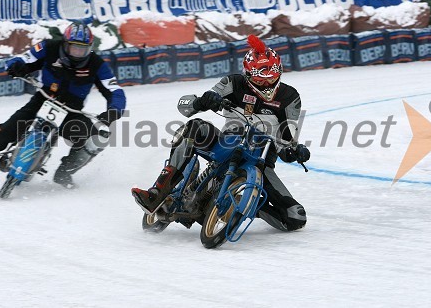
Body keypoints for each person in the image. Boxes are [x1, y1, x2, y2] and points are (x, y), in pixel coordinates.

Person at [132, 34, 310, 232]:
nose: (267, 84)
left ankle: (245, 203)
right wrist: (203, 101)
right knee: (194, 126)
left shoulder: (290, 97)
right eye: (261, 80)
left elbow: (288, 136)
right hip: (226, 142)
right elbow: (185, 106)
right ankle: (158, 191)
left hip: (261, 158)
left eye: (272, 78)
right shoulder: (233, 83)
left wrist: (294, 151)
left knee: (295, 218)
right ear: (249, 75)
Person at [0, 22, 126, 188]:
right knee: (12, 125)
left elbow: (114, 90)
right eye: (74, 48)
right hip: (43, 98)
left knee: (97, 140)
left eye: (83, 49)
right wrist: (16, 66)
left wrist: (114, 111)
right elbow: (24, 58)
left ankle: (65, 172)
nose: (79, 53)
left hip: (71, 110)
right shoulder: (48, 47)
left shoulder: (97, 64)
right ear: (65, 44)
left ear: (90, 48)